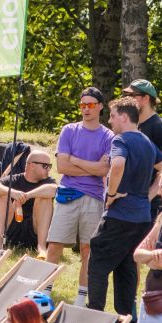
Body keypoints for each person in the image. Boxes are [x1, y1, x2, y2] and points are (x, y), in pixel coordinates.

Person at [88, 97, 162, 318]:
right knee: (126, 267)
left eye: (112, 116)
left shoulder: (120, 140)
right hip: (141, 217)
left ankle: (94, 316)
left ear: (123, 116)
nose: (110, 121)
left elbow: (118, 165)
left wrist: (111, 194)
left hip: (120, 214)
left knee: (98, 262)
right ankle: (124, 321)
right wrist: (149, 195)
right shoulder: (147, 141)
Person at [46, 87, 114, 306]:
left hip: (94, 197)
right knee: (54, 244)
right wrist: (91, 167)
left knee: (87, 249)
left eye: (90, 105)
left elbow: (104, 170)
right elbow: (61, 165)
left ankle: (81, 296)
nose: (86, 109)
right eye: (82, 105)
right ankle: (46, 290)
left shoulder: (108, 136)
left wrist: (75, 161)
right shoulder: (69, 130)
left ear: (100, 107)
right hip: (67, 195)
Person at [0, 150, 57, 259]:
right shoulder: (14, 179)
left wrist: (27, 195)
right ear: (32, 165)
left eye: (49, 166)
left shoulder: (48, 181)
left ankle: (41, 247)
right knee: (1, 195)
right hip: (11, 229)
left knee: (44, 199)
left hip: (35, 230)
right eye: (45, 166)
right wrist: (12, 192)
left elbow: (54, 190)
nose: (48, 169)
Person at [122, 79, 162, 221]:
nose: (128, 100)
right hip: (131, 200)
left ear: (146, 98)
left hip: (150, 204)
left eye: (133, 96)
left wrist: (148, 198)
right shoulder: (134, 125)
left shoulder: (159, 126)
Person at [134, 213, 162, 323]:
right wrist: (154, 257)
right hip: (153, 297)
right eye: (159, 185)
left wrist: (154, 260)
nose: (160, 191)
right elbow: (137, 254)